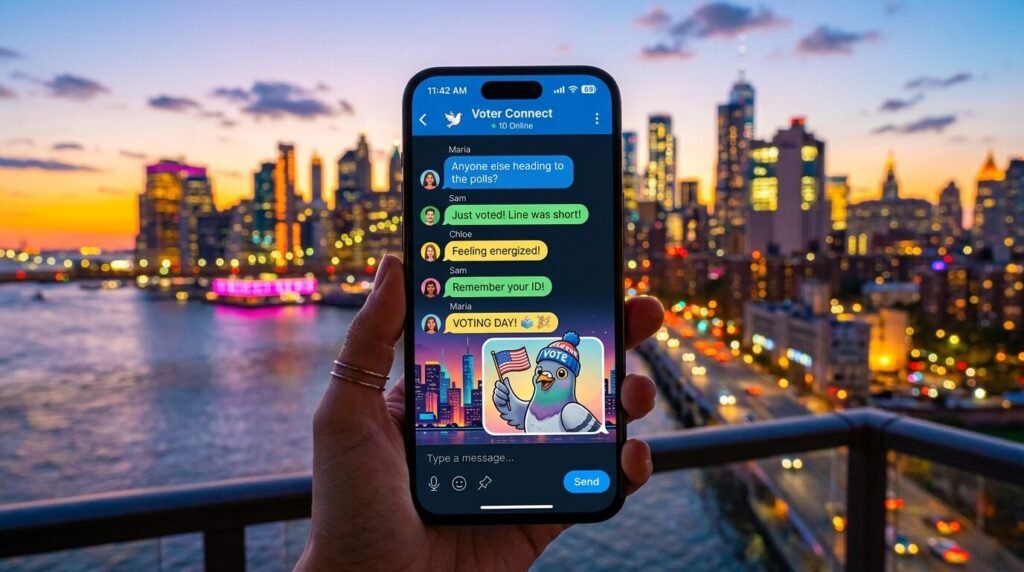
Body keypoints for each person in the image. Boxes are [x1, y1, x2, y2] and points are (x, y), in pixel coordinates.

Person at [297, 254, 664, 570]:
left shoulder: (571, 413)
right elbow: (518, 415)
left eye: (556, 373)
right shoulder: (534, 404)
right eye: (542, 370)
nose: (544, 375)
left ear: (569, 378)